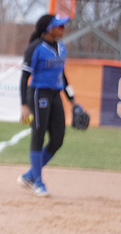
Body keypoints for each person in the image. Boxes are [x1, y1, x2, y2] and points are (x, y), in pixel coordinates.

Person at [17, 14, 79, 197]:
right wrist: (24, 105)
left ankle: (30, 175)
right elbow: (24, 78)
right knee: (38, 134)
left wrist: (73, 101)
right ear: (49, 29)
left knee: (58, 139)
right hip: (37, 94)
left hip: (55, 94)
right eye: (59, 26)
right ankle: (37, 181)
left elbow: (63, 77)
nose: (63, 29)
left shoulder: (61, 47)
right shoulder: (35, 48)